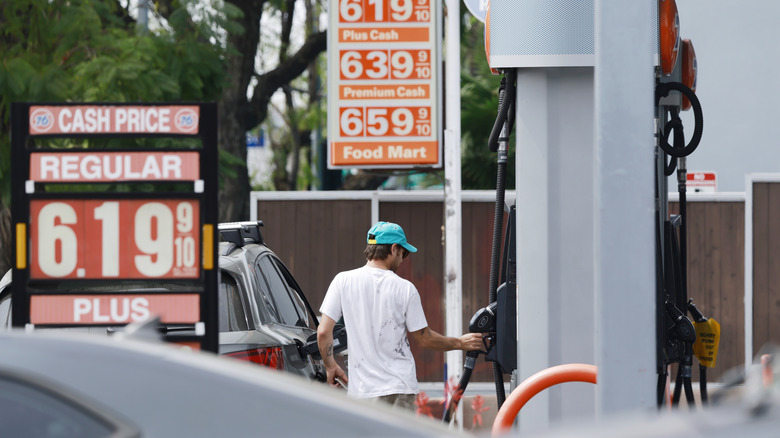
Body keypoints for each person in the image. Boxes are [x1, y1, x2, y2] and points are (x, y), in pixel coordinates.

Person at [317, 221, 484, 411]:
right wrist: (460, 343)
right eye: (404, 253)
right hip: (399, 388)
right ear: (394, 249)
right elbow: (425, 339)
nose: (403, 259)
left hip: (361, 392)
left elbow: (323, 332)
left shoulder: (342, 281)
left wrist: (330, 366)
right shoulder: (405, 288)